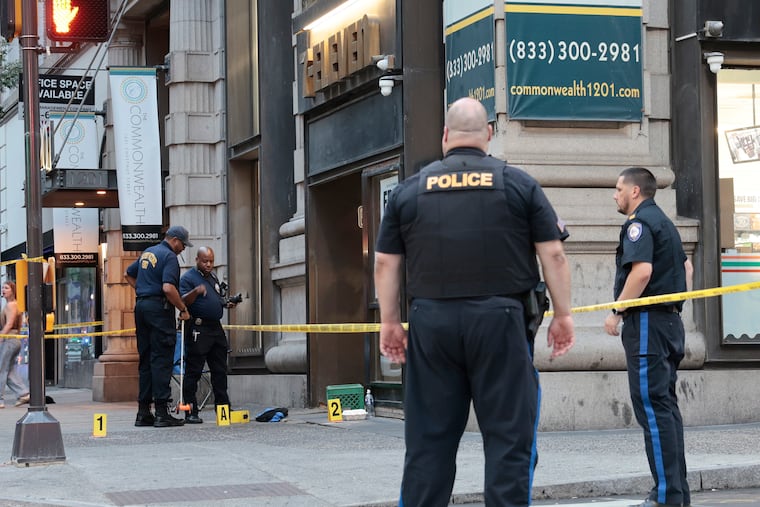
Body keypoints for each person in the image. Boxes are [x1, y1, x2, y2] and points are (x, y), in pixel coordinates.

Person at [374, 97, 575, 506]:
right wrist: (564, 315)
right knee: (507, 441)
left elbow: (384, 262)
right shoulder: (518, 184)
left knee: (428, 443)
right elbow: (553, 254)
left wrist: (390, 323)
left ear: (445, 136)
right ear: (488, 135)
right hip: (500, 322)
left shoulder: (410, 191)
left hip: (431, 323)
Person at [604, 167, 691, 507]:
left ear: (635, 192)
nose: (614, 194)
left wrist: (617, 312)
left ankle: (666, 497)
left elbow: (642, 272)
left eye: (618, 188)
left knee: (654, 412)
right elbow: (687, 269)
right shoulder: (666, 223)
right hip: (669, 325)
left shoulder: (638, 224)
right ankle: (676, 493)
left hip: (647, 328)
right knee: (666, 410)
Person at [125, 226, 193, 428]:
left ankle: (143, 412)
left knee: (145, 360)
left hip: (141, 308)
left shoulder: (148, 252)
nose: (182, 249)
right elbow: (168, 288)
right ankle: (162, 412)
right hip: (159, 310)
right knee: (161, 359)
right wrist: (182, 308)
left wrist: (144, 290)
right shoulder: (169, 257)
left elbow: (128, 274)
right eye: (182, 244)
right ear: (174, 240)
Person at [179, 246, 237, 423]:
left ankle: (223, 408)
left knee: (220, 370)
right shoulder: (188, 278)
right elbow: (182, 301)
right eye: (205, 261)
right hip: (198, 328)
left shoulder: (213, 277)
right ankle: (190, 411)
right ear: (197, 260)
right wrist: (196, 291)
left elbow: (217, 298)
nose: (209, 264)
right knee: (193, 371)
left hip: (215, 328)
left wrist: (227, 304)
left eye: (211, 261)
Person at [0, 281, 30, 408]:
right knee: (9, 370)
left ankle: (0, 399)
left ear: (12, 290)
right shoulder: (16, 305)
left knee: (1, 369)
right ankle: (23, 394)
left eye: (6, 288)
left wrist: (1, 336)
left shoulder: (11, 305)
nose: (3, 290)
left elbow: (9, 323)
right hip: (14, 340)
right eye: (2, 287)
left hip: (9, 339)